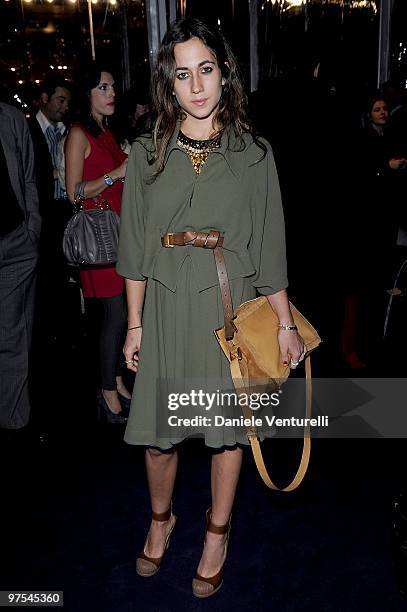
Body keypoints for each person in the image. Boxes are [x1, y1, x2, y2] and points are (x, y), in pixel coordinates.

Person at [117, 17, 305, 597]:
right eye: (182, 74)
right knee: (158, 436)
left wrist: (285, 323)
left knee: (228, 435)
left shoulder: (255, 155)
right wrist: (134, 325)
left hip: (230, 305)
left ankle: (217, 531)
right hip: (168, 304)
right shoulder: (147, 153)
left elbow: (269, 246)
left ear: (225, 75)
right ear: (168, 84)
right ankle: (160, 519)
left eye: (206, 69)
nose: (196, 85)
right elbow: (135, 246)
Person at [65, 63, 130, 423]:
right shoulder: (79, 134)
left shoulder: (106, 132)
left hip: (119, 234)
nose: (111, 93)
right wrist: (116, 173)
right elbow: (73, 193)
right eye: (104, 87)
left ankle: (116, 380)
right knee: (114, 314)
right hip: (98, 239)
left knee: (120, 315)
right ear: (87, 93)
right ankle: (105, 392)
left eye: (113, 87)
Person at [0, 101, 41, 430]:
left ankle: (12, 423)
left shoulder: (10, 118)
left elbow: (29, 179)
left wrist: (31, 230)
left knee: (12, 338)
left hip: (14, 244)